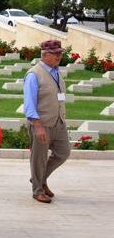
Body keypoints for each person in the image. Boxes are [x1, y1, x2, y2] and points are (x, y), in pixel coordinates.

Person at [24, 39, 70, 204]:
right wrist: (37, 126)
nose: (60, 56)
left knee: (63, 153)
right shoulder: (33, 74)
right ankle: (37, 190)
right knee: (39, 158)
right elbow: (29, 104)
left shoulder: (56, 71)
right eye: (56, 53)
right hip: (41, 123)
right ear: (45, 55)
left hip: (58, 122)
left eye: (60, 52)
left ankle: (40, 178)